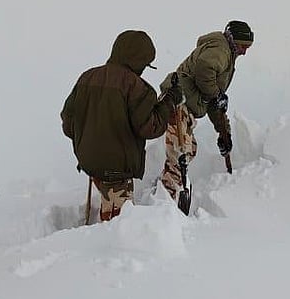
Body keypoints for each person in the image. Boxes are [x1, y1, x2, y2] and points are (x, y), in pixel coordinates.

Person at [61, 31, 181, 221]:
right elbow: (151, 127)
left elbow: (67, 122)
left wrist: (87, 141)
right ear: (138, 60)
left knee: (109, 210)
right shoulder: (137, 87)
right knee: (118, 226)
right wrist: (168, 103)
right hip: (116, 170)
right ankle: (102, 246)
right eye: (144, 64)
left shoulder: (87, 77)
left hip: (89, 162)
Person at [158, 20, 254, 202]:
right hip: (179, 101)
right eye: (242, 46)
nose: (244, 51)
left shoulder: (224, 53)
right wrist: (217, 94)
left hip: (184, 103)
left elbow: (213, 102)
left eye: (248, 47)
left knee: (185, 151)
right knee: (181, 151)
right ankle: (167, 198)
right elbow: (204, 68)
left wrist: (223, 131)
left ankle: (167, 190)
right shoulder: (221, 49)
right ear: (233, 41)